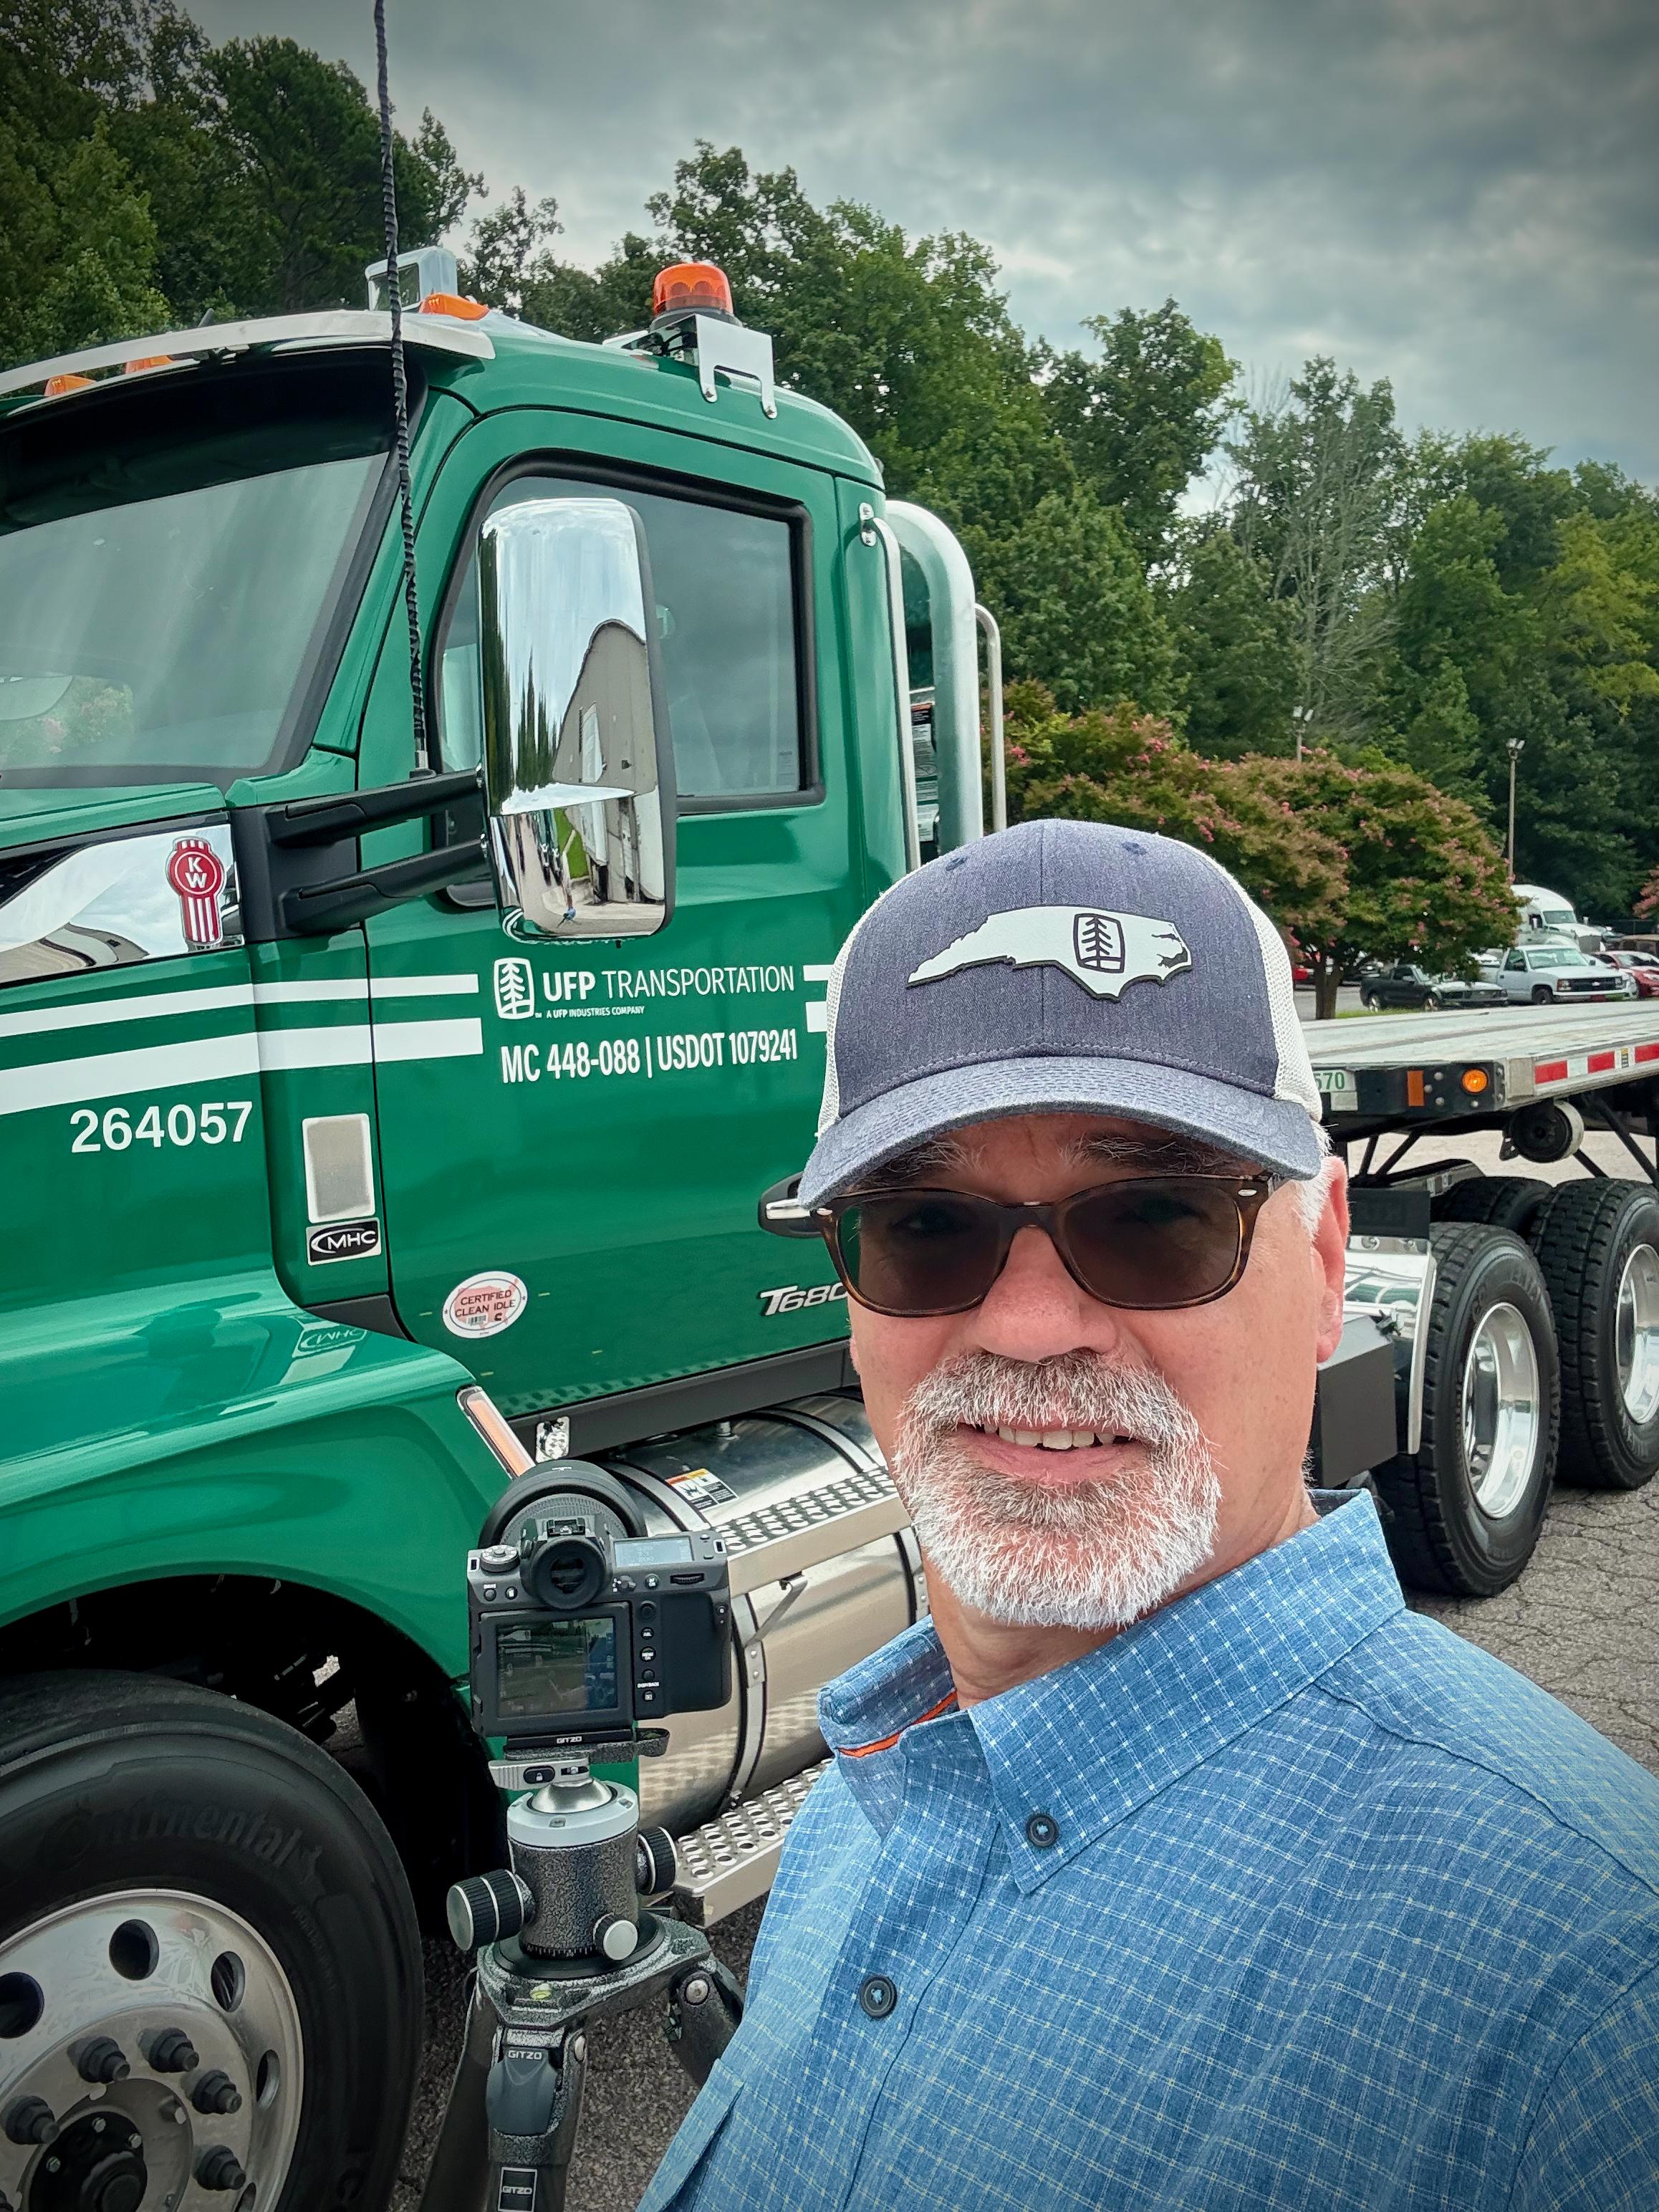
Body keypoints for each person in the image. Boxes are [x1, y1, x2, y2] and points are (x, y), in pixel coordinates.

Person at [640, 819, 1659, 2212]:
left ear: (1322, 1259)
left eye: (1156, 1215)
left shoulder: (1592, 2002)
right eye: (926, 1227)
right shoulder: (863, 1802)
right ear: (850, 1287)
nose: (1034, 1322)